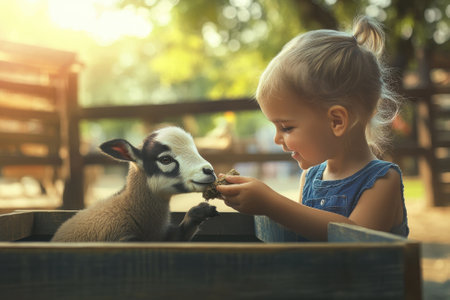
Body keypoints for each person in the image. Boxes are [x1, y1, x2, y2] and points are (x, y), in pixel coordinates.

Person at [216, 16, 409, 241]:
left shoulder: (383, 181)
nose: (277, 139)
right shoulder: (310, 178)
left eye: (286, 127)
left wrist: (270, 203)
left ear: (336, 121)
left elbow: (354, 238)